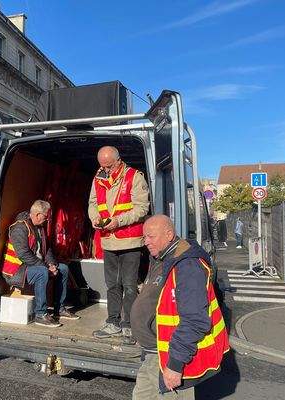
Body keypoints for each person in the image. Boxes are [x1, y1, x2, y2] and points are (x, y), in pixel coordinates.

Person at [130, 215, 229, 400]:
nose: (146, 242)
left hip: (169, 360)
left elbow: (195, 320)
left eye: (151, 236)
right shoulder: (163, 257)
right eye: (145, 237)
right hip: (154, 355)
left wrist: (175, 365)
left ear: (169, 234)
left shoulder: (188, 266)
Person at [88, 146, 150, 343]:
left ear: (118, 160)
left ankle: (129, 326)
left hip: (130, 240)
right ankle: (112, 323)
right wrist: (95, 218)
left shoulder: (134, 176)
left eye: (109, 165)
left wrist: (118, 221)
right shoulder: (98, 178)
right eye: (102, 166)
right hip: (108, 240)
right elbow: (93, 203)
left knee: (130, 285)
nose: (106, 169)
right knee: (112, 285)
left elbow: (142, 208)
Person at [2, 200, 80, 327]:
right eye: (45, 216)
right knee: (42, 272)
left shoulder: (40, 228)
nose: (47, 219)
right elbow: (23, 254)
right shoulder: (20, 228)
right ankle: (40, 314)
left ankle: (59, 309)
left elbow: (47, 249)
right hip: (16, 270)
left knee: (64, 269)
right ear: (37, 215)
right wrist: (46, 267)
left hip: (34, 266)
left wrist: (51, 264)